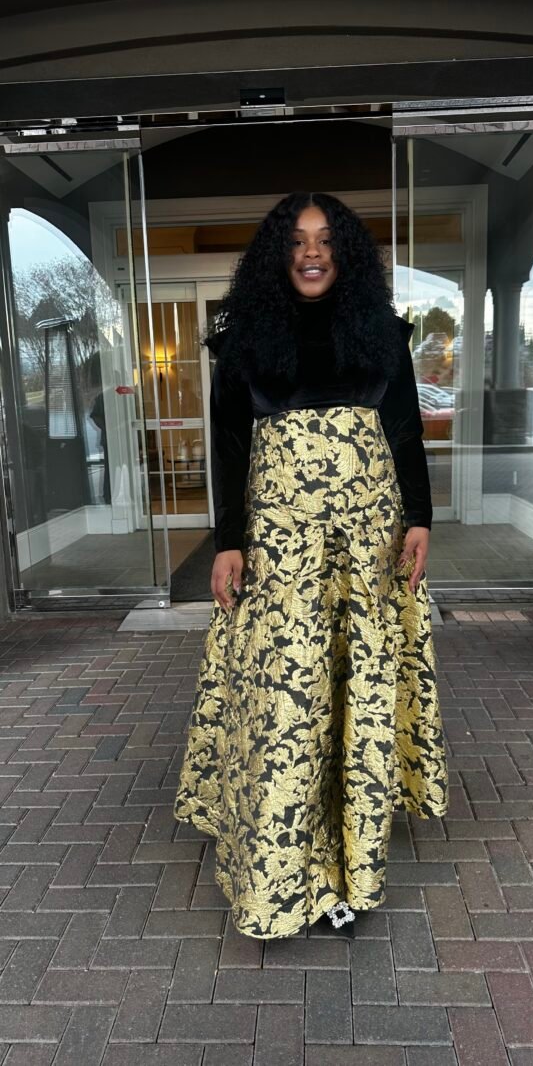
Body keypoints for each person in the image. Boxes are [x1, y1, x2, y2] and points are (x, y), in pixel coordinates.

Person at [174, 191, 449, 940]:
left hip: (367, 548)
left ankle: (347, 873)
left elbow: (405, 435)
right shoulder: (245, 338)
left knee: (354, 698)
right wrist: (228, 540)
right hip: (283, 552)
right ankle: (282, 874)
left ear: (345, 253)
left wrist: (419, 519)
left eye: (326, 239)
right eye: (297, 241)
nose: (312, 252)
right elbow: (230, 447)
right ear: (278, 254)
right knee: (288, 707)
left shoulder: (382, 333)